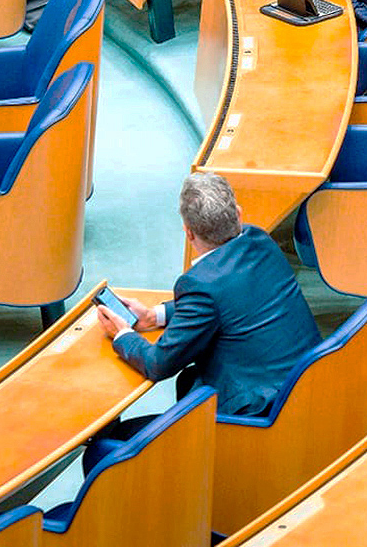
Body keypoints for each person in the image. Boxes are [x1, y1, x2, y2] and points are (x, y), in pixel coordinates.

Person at [96, 172, 320, 417]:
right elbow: (227, 299)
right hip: (306, 388)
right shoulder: (259, 241)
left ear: (188, 232)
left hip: (260, 411)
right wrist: (154, 315)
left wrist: (122, 334)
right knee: (190, 378)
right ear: (238, 214)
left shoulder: (199, 284)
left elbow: (157, 364)